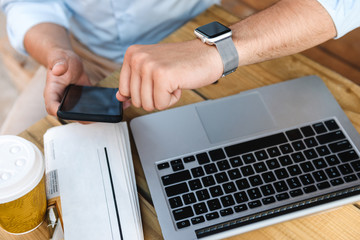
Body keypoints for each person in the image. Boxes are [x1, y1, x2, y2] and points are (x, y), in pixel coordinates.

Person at [1, 0, 360, 134]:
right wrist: (57, 55)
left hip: (192, 42)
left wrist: (217, 51)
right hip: (79, 50)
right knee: (16, 158)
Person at [0, 0, 219, 134]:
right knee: (12, 152)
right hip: (82, 52)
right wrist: (57, 54)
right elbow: (29, 4)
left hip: (186, 46)